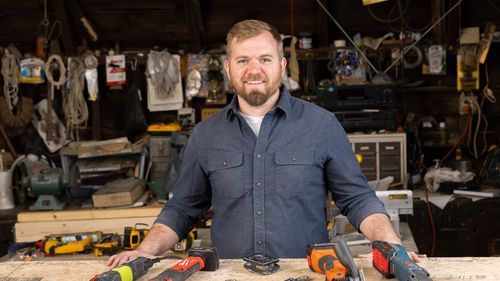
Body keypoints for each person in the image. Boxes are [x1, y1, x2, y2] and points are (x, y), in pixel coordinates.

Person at [108, 19, 420, 267]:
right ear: (228, 68)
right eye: (242, 59)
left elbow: (357, 200)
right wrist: (146, 251)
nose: (253, 70)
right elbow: (182, 209)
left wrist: (390, 245)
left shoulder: (321, 126)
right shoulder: (205, 136)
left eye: (264, 59)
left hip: (307, 274)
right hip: (231, 276)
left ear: (282, 66)